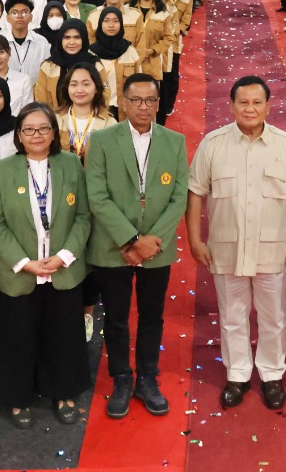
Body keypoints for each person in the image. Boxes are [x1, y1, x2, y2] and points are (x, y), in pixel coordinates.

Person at [186, 75, 286, 411]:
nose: (250, 108)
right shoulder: (213, 143)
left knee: (274, 317)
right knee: (232, 315)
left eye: (257, 102)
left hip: (274, 249)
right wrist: (195, 240)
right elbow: (196, 192)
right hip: (226, 248)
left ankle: (271, 375)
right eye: (243, 102)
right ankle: (237, 375)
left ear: (269, 106)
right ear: (231, 105)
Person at [85, 73, 188, 419]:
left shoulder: (174, 141)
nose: (143, 107)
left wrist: (150, 243)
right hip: (114, 245)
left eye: (150, 101)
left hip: (157, 248)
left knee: (152, 315)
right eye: (136, 100)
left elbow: (178, 198)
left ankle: (147, 376)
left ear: (159, 104)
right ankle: (121, 378)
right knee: (114, 318)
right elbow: (96, 196)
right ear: (124, 102)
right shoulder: (102, 140)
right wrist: (131, 240)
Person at [0, 102, 91, 428]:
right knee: (17, 336)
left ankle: (64, 393)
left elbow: (84, 217)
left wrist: (64, 256)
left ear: (53, 132)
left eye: (43, 128)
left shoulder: (71, 164)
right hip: (20, 272)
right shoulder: (3, 170)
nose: (36, 135)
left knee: (64, 335)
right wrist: (24, 262)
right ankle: (18, 398)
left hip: (63, 270)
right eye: (28, 129)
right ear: (18, 134)